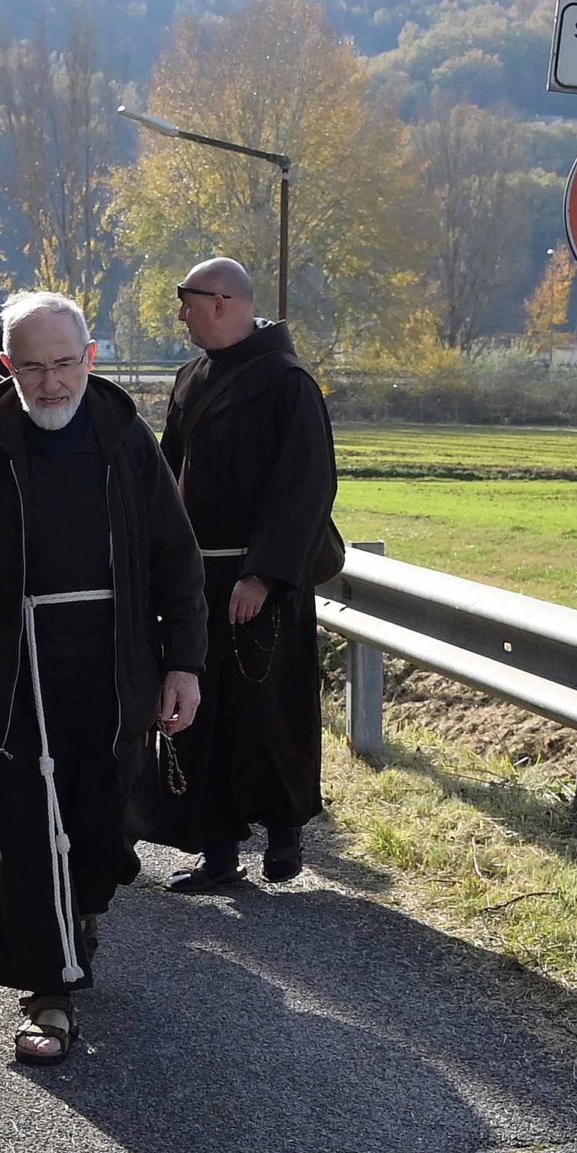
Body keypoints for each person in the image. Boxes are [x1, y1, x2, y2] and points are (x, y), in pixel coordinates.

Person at [0, 291, 206, 1064]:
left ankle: (83, 906)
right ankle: (48, 993)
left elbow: (176, 558)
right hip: (10, 676)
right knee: (25, 831)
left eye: (65, 364)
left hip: (114, 672)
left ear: (90, 358)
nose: (51, 384)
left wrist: (184, 662)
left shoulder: (125, 438)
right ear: (7, 364)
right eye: (33, 368)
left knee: (100, 828)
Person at [159, 257, 340, 892]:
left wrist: (262, 574)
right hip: (197, 581)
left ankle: (284, 834)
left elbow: (306, 485)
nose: (180, 315)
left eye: (186, 301)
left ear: (220, 302)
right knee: (202, 716)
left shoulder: (288, 383)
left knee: (268, 713)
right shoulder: (190, 377)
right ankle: (217, 853)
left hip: (265, 584)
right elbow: (167, 475)